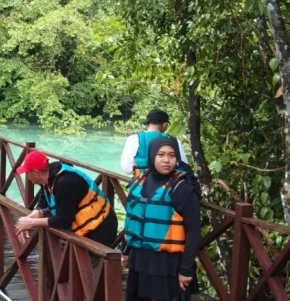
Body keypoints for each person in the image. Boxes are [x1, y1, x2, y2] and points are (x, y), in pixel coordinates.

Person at [122, 136, 201, 301]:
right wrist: (126, 251)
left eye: (172, 156)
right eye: (161, 155)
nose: (167, 160)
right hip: (140, 259)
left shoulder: (183, 187)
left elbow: (193, 231)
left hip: (169, 263)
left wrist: (186, 269)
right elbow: (133, 219)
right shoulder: (140, 182)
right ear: (152, 156)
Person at [14, 151, 118, 250]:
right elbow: (44, 199)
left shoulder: (65, 182)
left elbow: (63, 220)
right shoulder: (48, 177)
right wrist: (35, 213)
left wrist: (32, 222)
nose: (26, 176)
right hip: (82, 228)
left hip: (99, 228)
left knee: (88, 266)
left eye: (27, 172)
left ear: (36, 173)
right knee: (72, 263)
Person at [120, 109, 189, 177]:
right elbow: (184, 166)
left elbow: (127, 169)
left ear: (147, 124)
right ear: (164, 124)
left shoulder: (134, 139)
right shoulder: (175, 141)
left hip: (142, 185)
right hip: (168, 185)